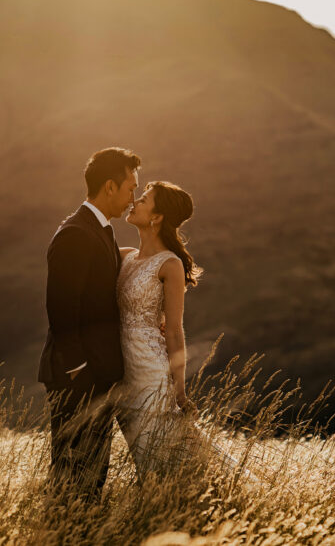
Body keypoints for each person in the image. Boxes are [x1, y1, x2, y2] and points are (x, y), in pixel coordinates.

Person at [116, 181, 244, 479]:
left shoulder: (170, 265)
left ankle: (202, 497)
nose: (135, 201)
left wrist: (180, 391)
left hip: (148, 367)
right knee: (141, 453)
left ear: (157, 217)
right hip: (119, 368)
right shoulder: (123, 255)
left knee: (160, 453)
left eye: (144, 199)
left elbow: (173, 331)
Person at [37, 147, 141, 501]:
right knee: (72, 481)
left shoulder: (102, 231)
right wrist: (81, 372)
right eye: (130, 188)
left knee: (91, 481)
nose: (133, 198)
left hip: (97, 378)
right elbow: (61, 309)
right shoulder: (75, 234)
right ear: (109, 186)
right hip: (76, 379)